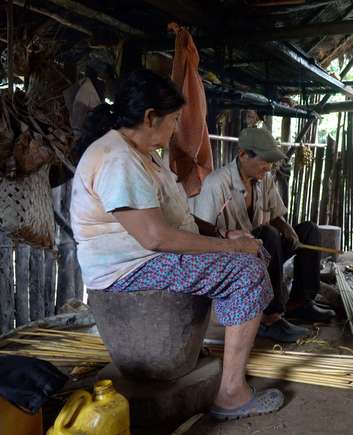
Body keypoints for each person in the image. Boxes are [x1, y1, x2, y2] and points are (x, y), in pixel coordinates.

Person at [70, 69, 283, 420]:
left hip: (141, 260)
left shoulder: (140, 153)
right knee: (246, 271)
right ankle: (230, 393)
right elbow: (155, 237)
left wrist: (222, 236)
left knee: (250, 251)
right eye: (172, 120)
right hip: (127, 271)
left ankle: (213, 363)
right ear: (150, 117)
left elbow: (176, 217)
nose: (174, 129)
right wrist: (232, 250)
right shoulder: (118, 159)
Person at [189, 127, 335, 343]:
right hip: (231, 255)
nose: (268, 167)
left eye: (271, 162)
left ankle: (301, 303)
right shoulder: (217, 182)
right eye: (264, 161)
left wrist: (286, 226)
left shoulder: (264, 179)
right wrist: (230, 236)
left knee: (309, 231)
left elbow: (276, 214)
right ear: (243, 155)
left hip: (263, 249)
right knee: (268, 234)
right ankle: (269, 318)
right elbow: (200, 226)